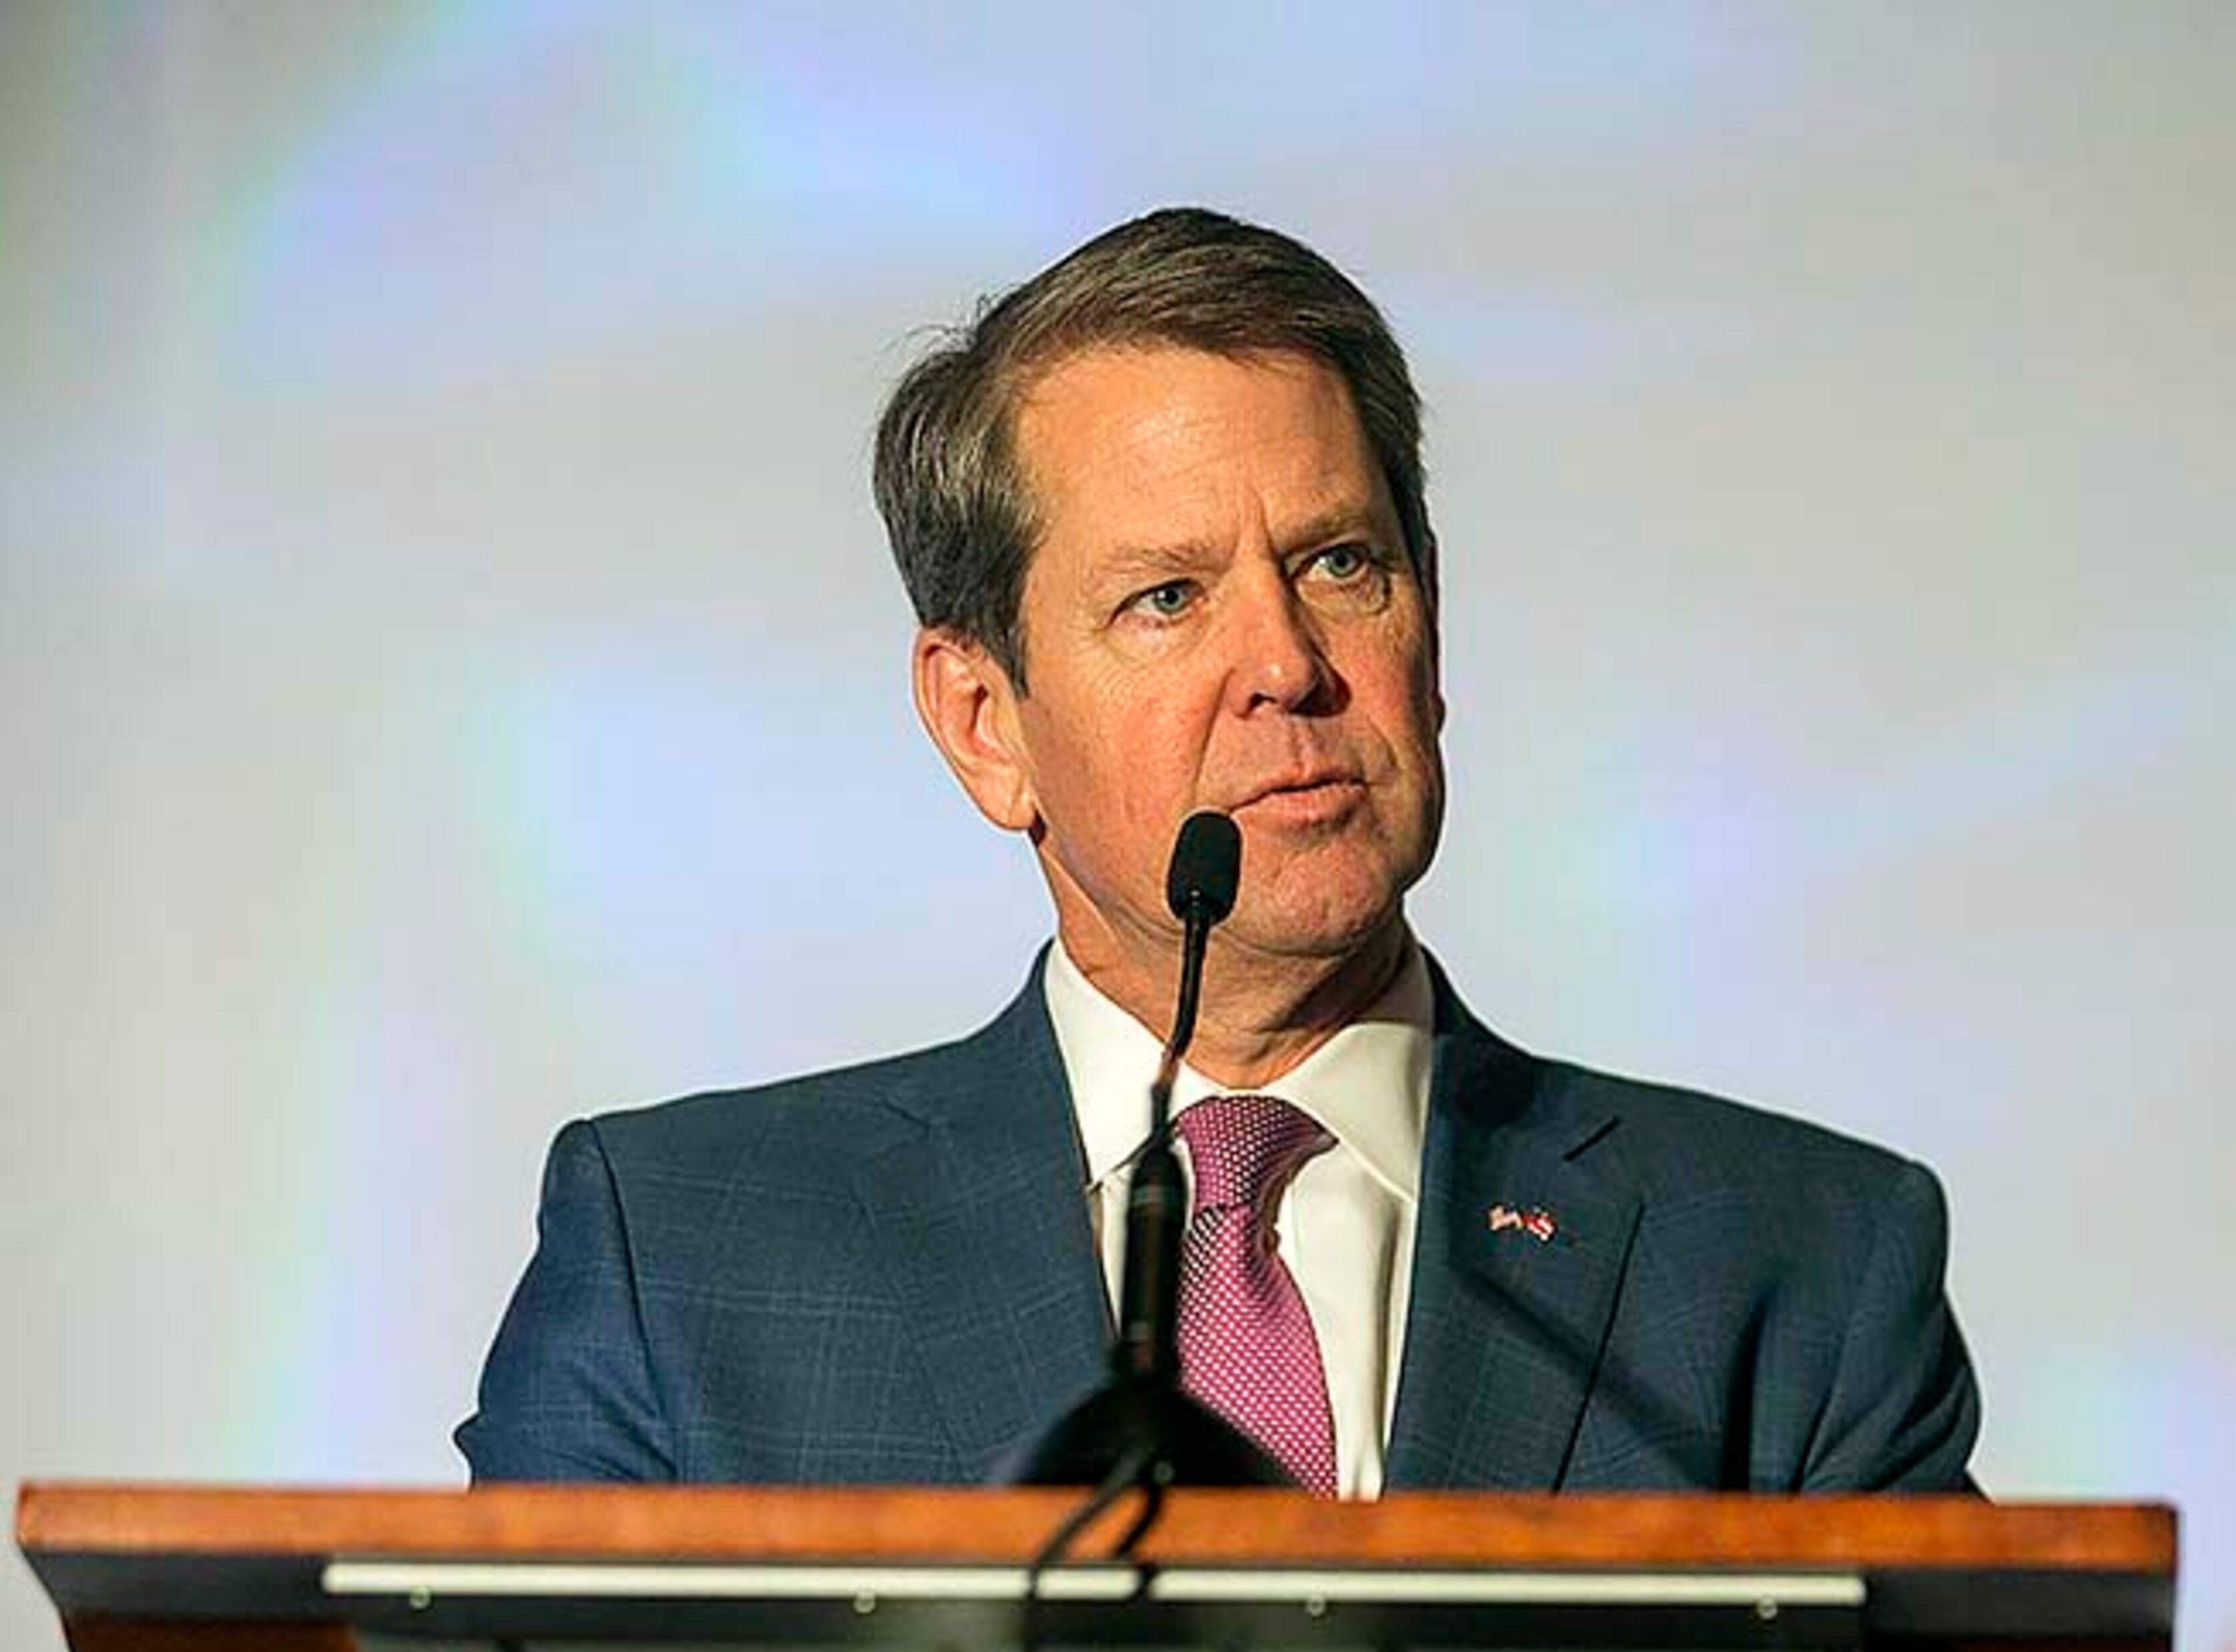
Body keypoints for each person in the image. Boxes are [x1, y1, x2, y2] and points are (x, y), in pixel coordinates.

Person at [456, 208, 1979, 1497]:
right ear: (985, 719)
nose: (1289, 664)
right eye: (1169, 598)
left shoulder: (1798, 1265)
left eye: (1340, 563)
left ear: (1428, 625)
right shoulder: (684, 1256)